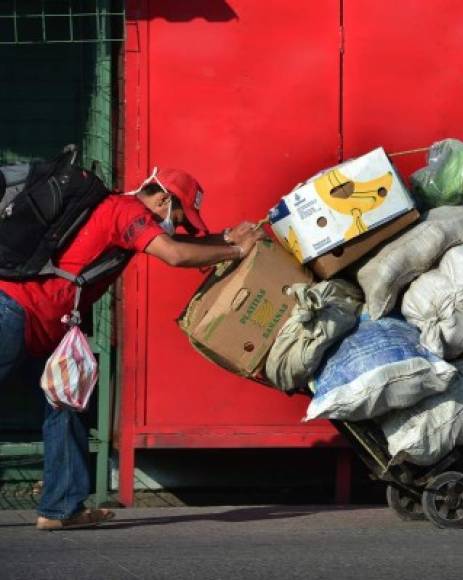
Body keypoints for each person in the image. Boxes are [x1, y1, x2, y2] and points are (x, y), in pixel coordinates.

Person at [0, 166, 266, 530]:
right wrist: (235, 251)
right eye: (178, 216)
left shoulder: (125, 212)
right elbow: (173, 254)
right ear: (162, 198)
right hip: (15, 311)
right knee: (66, 402)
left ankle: (62, 508)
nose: (176, 224)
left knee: (68, 401)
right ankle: (63, 505)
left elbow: (180, 246)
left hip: (40, 322)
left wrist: (223, 238)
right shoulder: (128, 212)